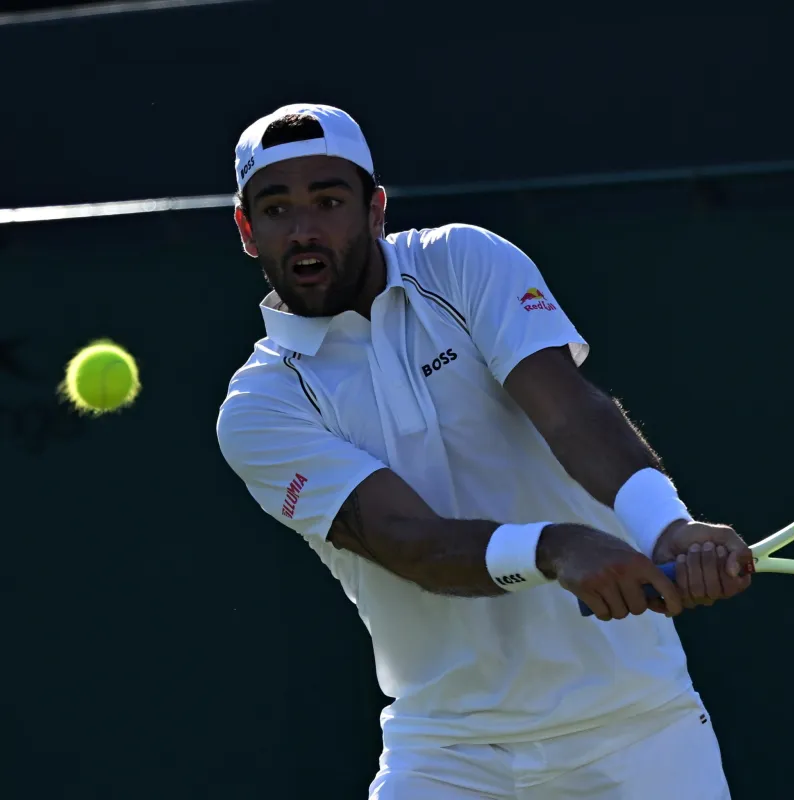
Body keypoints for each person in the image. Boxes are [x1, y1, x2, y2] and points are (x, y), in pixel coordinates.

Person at [215, 103, 754, 799]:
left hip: (642, 732)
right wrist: (555, 547)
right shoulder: (260, 407)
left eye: (329, 201)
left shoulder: (463, 261)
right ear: (246, 230)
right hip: (446, 753)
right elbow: (406, 540)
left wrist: (665, 525)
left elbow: (570, 411)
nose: (304, 230)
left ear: (375, 210)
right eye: (277, 209)